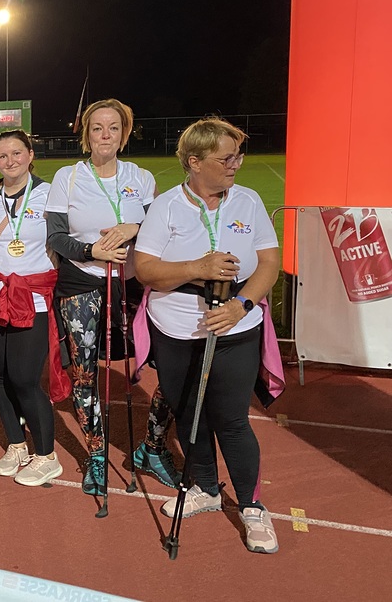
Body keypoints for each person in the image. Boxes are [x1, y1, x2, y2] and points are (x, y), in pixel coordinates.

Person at [134, 116, 281, 554]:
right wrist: (197, 267)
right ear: (194, 162)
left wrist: (242, 305)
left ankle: (252, 506)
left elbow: (269, 263)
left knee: (232, 419)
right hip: (176, 329)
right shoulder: (166, 207)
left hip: (237, 325)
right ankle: (207, 487)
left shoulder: (248, 201)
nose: (235, 165)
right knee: (188, 413)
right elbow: (146, 270)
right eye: (226, 158)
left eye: (238, 156)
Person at [45, 99, 176, 494]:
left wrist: (134, 227)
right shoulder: (67, 177)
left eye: (114, 128)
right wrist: (92, 251)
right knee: (84, 374)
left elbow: (162, 229)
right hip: (82, 283)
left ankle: (152, 447)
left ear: (124, 133)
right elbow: (56, 237)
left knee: (172, 366)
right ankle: (97, 454)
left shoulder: (141, 177)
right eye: (97, 128)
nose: (105, 135)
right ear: (86, 134)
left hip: (133, 284)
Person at [0, 130, 65, 486]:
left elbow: (63, 240)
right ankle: (16, 445)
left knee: (25, 378)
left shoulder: (50, 194)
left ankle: (47, 456)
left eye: (16, 153)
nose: (9, 161)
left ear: (30, 155)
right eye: (2, 155)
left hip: (32, 298)